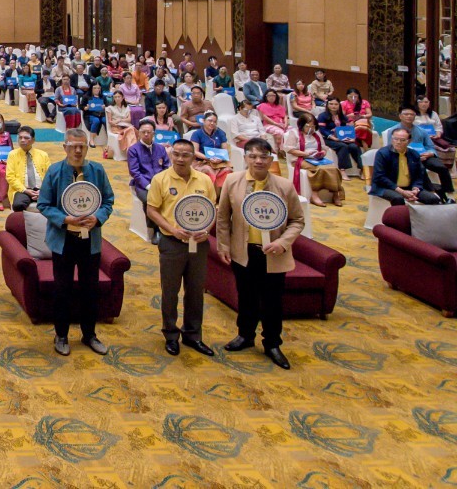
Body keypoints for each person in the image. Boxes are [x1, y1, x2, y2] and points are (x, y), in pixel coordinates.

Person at [217, 138, 305, 369]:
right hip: (243, 251)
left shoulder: (284, 186)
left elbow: (297, 220)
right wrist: (223, 246)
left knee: (272, 301)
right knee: (246, 295)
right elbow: (223, 217)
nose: (258, 161)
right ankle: (245, 335)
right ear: (245, 158)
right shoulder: (232, 181)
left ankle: (272, 343)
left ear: (270, 159)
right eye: (253, 156)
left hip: (273, 254)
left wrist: (283, 243)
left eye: (263, 157)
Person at [37, 127, 115, 357]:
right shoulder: (54, 171)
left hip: (90, 241)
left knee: (90, 289)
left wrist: (98, 218)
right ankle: (61, 335)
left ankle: (89, 334)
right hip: (63, 240)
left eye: (82, 146)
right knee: (62, 289)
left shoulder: (97, 170)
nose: (78, 151)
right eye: (73, 146)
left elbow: (108, 200)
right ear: (65, 147)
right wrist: (64, 219)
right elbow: (43, 204)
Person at [146, 138, 217, 357]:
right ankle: (170, 335)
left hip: (199, 244)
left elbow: (212, 210)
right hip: (172, 243)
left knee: (196, 291)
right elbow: (152, 210)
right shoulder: (160, 179)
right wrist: (172, 230)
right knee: (170, 291)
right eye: (176, 154)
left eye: (185, 155)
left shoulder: (204, 180)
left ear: (193, 157)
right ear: (170, 155)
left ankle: (193, 335)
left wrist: (206, 230)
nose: (180, 159)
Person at [385, 106, 455, 201]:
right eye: (406, 114)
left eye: (411, 114)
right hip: (404, 158)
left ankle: (448, 192)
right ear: (400, 116)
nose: (409, 116)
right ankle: (431, 192)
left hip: (424, 156)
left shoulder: (421, 131)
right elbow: (391, 148)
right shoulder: (393, 131)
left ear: (415, 116)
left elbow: (430, 146)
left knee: (441, 167)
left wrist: (430, 153)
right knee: (420, 168)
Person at [370, 127, 443, 206]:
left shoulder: (413, 154)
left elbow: (419, 175)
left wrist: (415, 189)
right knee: (398, 198)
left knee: (433, 199)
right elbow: (380, 177)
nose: (398, 142)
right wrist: (402, 192)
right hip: (387, 187)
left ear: (409, 141)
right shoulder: (383, 153)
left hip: (409, 187)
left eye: (402, 140)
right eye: (395, 139)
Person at [284, 112, 344, 206]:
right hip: (300, 159)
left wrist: (322, 153)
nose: (311, 128)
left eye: (313, 126)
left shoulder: (317, 134)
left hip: (316, 159)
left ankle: (336, 194)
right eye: (308, 126)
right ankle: (314, 194)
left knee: (334, 168)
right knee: (320, 169)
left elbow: (324, 147)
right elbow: (290, 150)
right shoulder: (294, 133)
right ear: (302, 125)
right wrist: (306, 154)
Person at [127, 119, 170, 210]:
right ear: (139, 133)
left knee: (172, 198)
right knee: (150, 201)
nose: (146, 134)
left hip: (161, 183)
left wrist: (162, 183)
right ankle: (150, 220)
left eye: (149, 132)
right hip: (143, 185)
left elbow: (166, 167)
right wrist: (149, 186)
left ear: (153, 134)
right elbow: (134, 172)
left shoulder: (160, 148)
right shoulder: (133, 150)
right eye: (143, 132)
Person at [317, 99, 364, 181]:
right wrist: (334, 138)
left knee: (354, 146)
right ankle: (342, 171)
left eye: (336, 104)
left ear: (339, 106)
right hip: (328, 139)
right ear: (327, 105)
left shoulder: (343, 116)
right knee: (343, 146)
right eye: (331, 104)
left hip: (342, 138)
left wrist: (351, 138)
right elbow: (322, 130)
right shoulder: (322, 116)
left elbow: (349, 129)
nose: (333, 106)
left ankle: (362, 169)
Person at [7, 126, 50, 213]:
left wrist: (42, 191)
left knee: (55, 202)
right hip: (22, 189)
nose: (22, 140)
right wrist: (25, 190)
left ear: (33, 140)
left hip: (41, 189)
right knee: (18, 205)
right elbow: (10, 177)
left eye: (26, 138)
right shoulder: (12, 155)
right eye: (20, 137)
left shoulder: (43, 155)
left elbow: (50, 176)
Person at [189, 111, 231, 188]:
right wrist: (208, 158)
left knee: (227, 170)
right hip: (202, 161)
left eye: (214, 122)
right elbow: (195, 152)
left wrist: (221, 159)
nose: (212, 123)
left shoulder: (220, 132)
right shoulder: (197, 134)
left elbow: (225, 149)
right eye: (210, 120)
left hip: (218, 161)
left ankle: (223, 193)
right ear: (204, 121)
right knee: (208, 169)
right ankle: (211, 191)